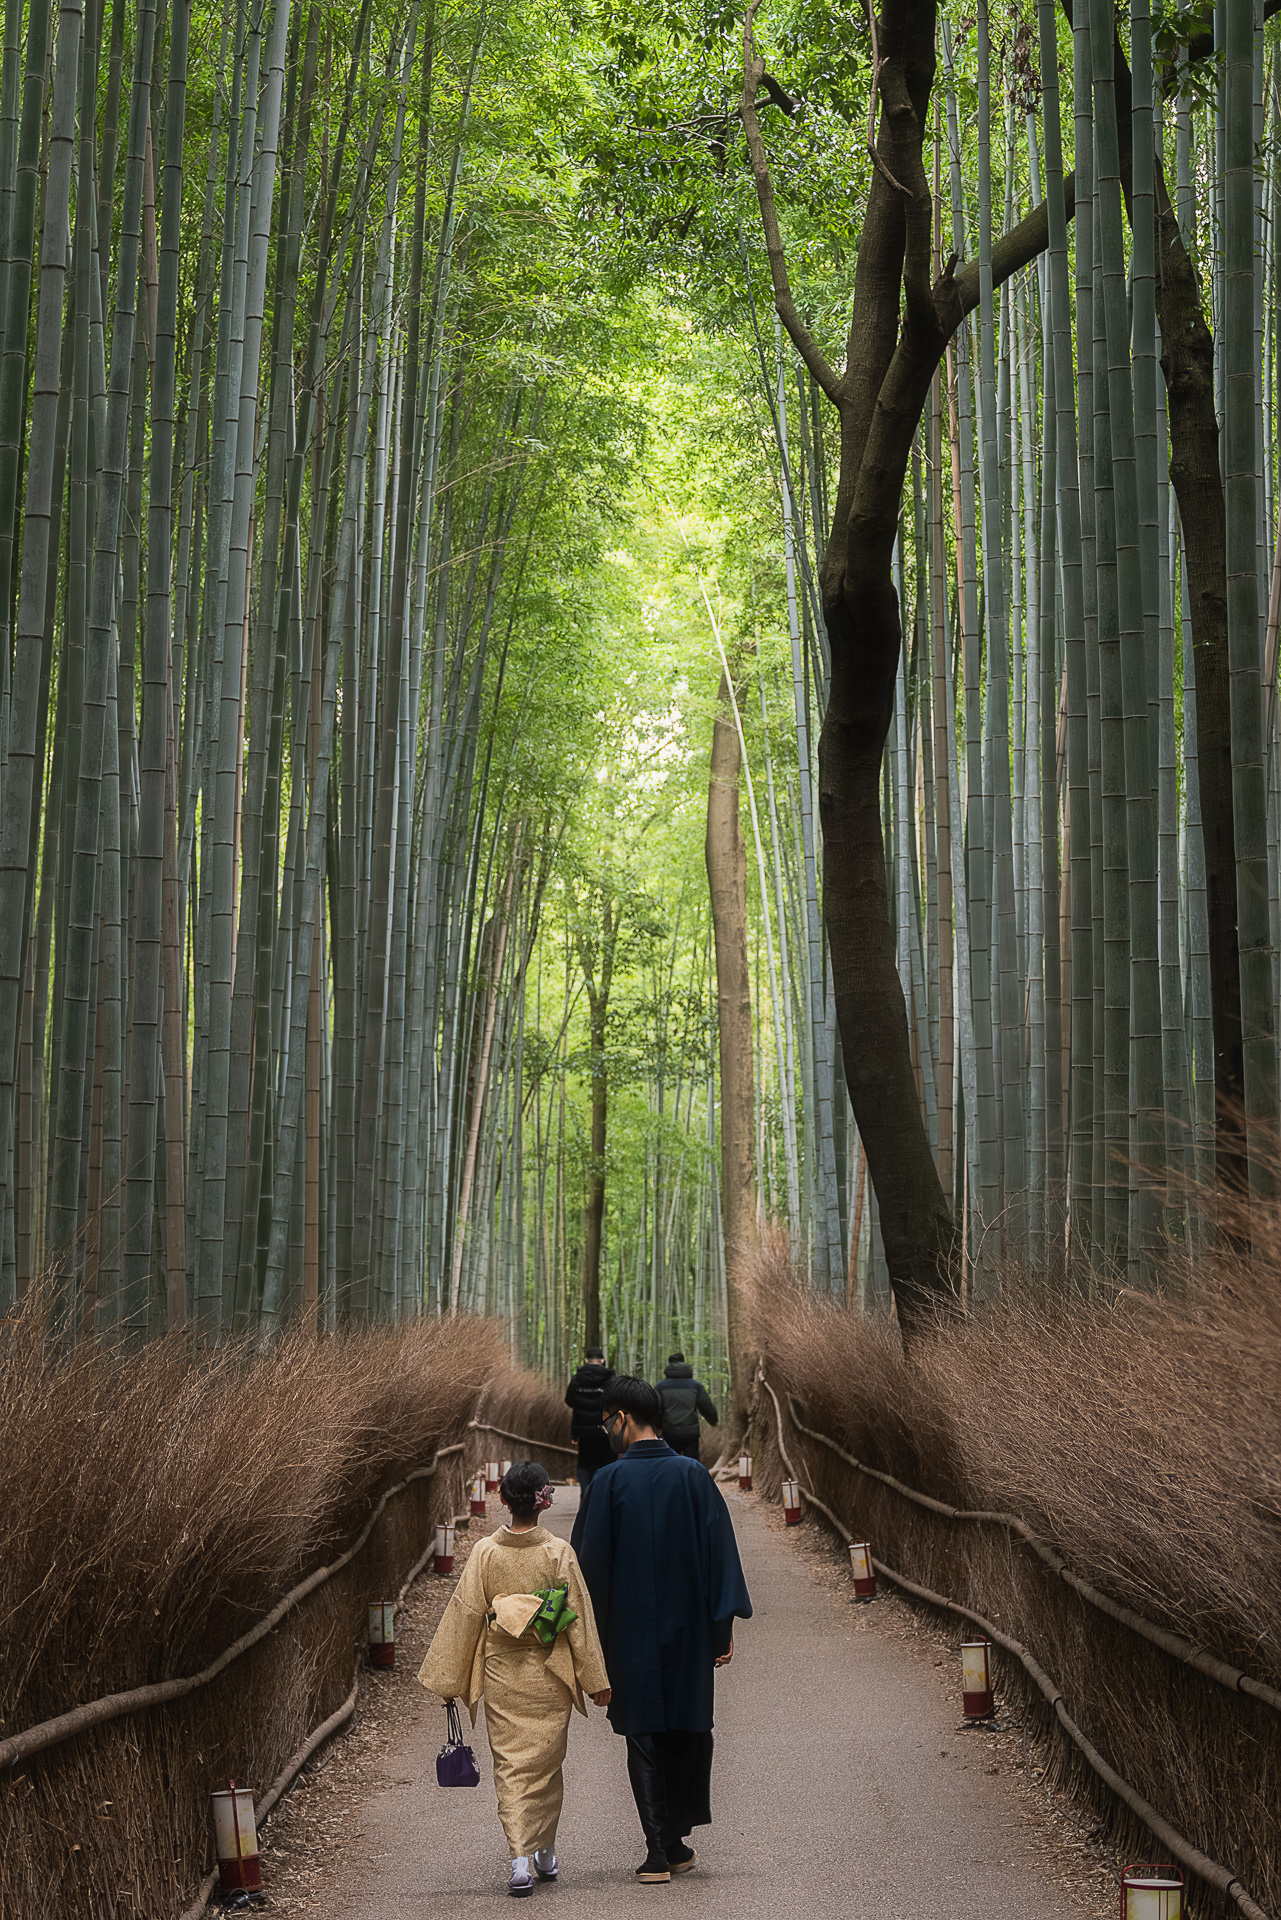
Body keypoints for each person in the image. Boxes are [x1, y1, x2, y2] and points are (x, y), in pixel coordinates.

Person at [571, 1375, 752, 1886]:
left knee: (643, 1734)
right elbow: (719, 1556)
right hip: (688, 1627)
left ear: (623, 1419)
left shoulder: (607, 1483)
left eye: (607, 1422)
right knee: (685, 1729)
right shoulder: (693, 1476)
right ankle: (670, 1843)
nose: (607, 1431)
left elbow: (588, 1570)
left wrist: (591, 1647)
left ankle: (661, 1850)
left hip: (628, 1632)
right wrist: (720, 1628)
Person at [418, 1461, 611, 1899]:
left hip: (502, 1673)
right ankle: (541, 1853)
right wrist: (595, 1678)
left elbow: (466, 1614)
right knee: (545, 1766)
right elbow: (579, 1620)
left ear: (503, 1500)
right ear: (543, 1501)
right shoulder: (558, 1552)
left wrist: (448, 1677)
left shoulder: (486, 1552)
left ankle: (522, 1860)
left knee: (510, 1767)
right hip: (549, 1672)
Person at [564, 1344, 615, 1492]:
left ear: (586, 1360)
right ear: (602, 1360)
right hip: (605, 1429)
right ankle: (602, 1494)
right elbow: (616, 1401)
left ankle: (586, 1494)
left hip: (583, 1429)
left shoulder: (578, 1379)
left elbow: (569, 1401)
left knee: (585, 1463)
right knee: (605, 1462)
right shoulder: (610, 1379)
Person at [655, 1350, 719, 1459]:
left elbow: (656, 1410)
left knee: (671, 1462)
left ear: (669, 1365)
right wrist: (713, 1421)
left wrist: (658, 1427)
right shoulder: (695, 1386)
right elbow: (707, 1407)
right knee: (692, 1463)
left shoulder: (660, 1386)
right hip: (690, 1433)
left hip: (669, 1432)